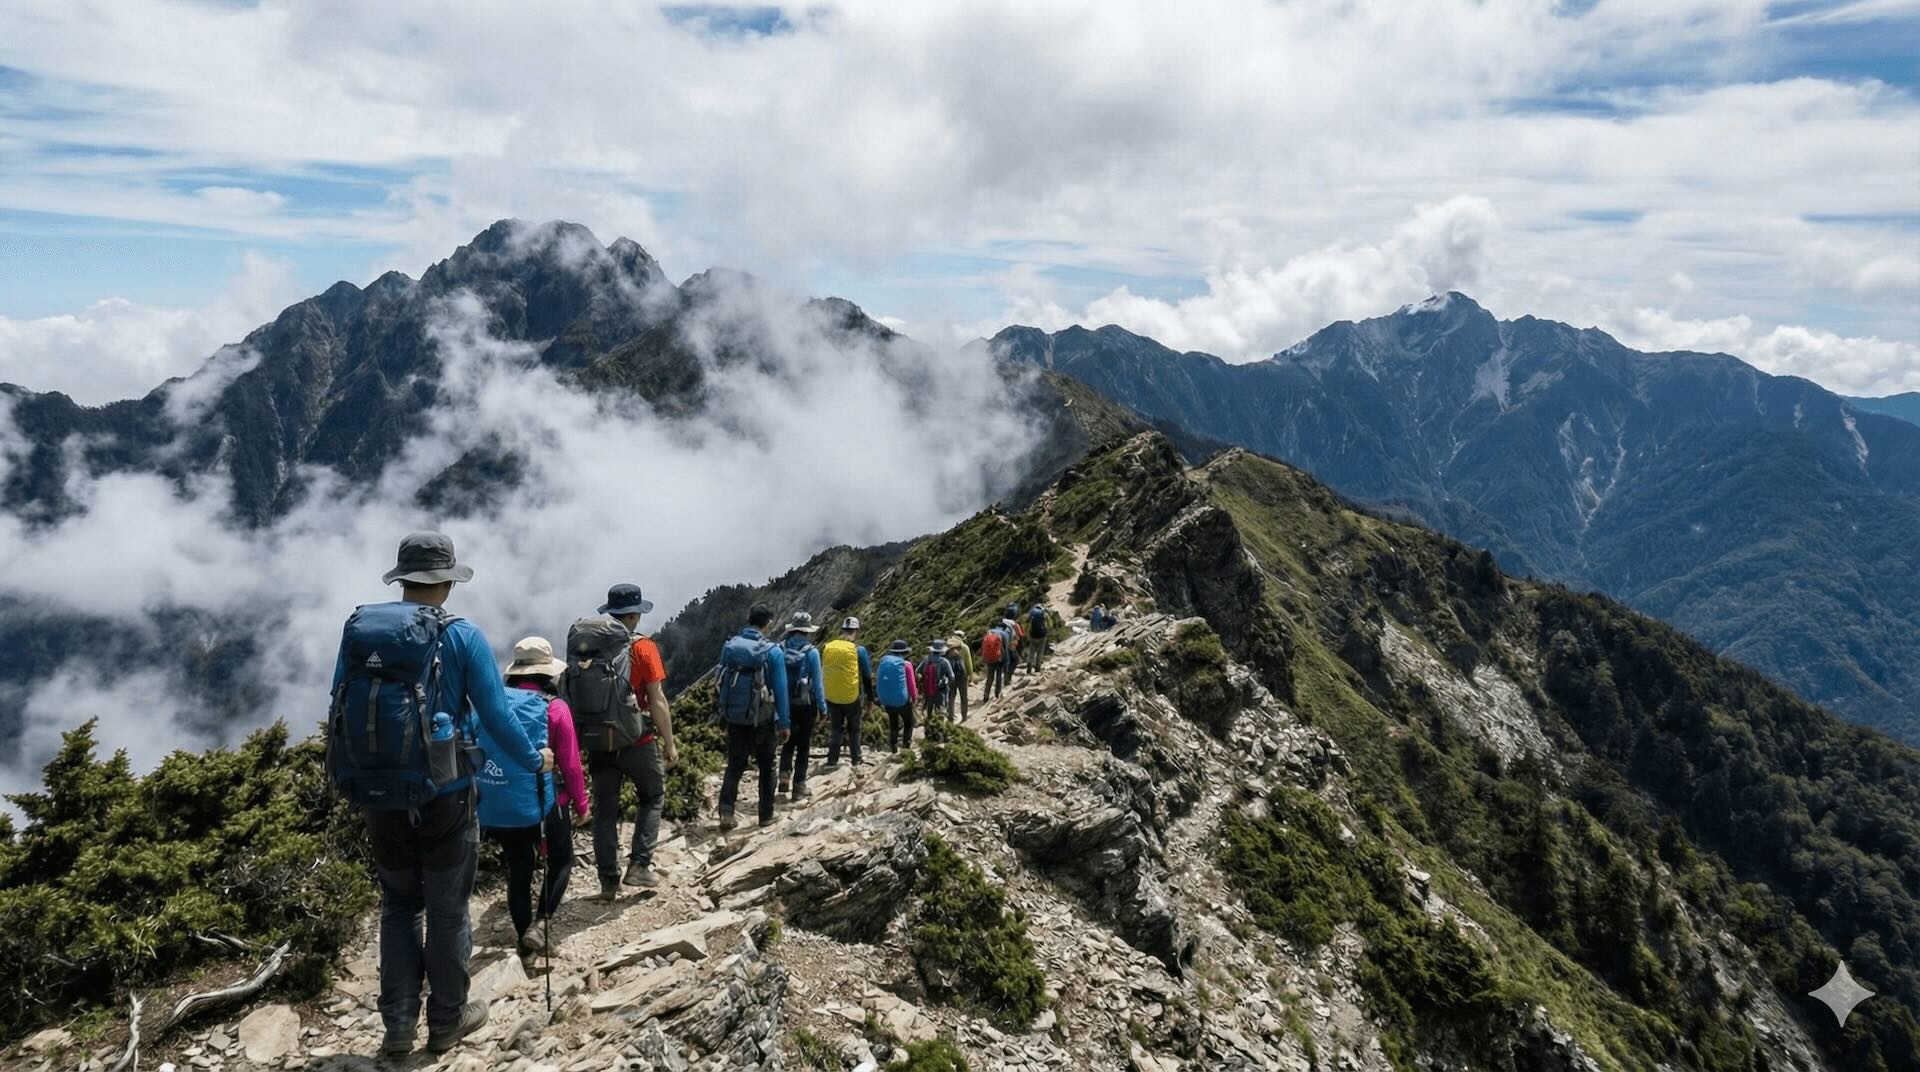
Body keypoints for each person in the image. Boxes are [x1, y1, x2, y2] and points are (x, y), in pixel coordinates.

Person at [327, 532, 556, 1057]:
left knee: (399, 905)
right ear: (448, 581)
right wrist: (534, 761)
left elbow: (339, 696)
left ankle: (398, 1025)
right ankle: (448, 1019)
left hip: (381, 791)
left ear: (403, 580)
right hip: (446, 793)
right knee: (448, 909)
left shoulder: (359, 631)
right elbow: (496, 714)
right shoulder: (463, 635)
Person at [482, 637, 587, 972]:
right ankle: (541, 924)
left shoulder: (493, 703)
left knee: (519, 869)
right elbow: (571, 765)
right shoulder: (555, 708)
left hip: (500, 800)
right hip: (544, 800)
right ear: (548, 673)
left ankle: (524, 946)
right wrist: (582, 804)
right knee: (561, 860)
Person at [572, 584, 677, 901]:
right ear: (633, 615)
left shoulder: (587, 650)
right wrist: (669, 743)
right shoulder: (644, 648)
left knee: (605, 810)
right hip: (637, 738)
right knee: (652, 795)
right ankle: (639, 866)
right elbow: (657, 700)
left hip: (597, 740)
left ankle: (608, 882)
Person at [714, 604, 792, 829]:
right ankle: (766, 816)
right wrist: (784, 722)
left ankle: (726, 812)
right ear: (768, 624)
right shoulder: (773, 652)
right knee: (767, 765)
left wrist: (722, 712)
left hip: (735, 717)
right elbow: (781, 690)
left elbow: (720, 679)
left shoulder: (730, 646)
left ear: (749, 620)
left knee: (735, 765)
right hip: (763, 719)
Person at [777, 612, 826, 800]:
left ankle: (784, 775)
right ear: (807, 631)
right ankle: (799, 787)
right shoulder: (811, 652)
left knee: (787, 740)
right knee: (804, 746)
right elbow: (818, 684)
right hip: (806, 704)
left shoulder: (780, 649)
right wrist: (823, 709)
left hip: (784, 703)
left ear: (792, 630)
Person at [820, 616, 873, 769]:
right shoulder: (858, 650)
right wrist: (870, 699)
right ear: (856, 631)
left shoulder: (828, 647)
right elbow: (867, 676)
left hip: (831, 696)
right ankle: (856, 759)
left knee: (836, 728)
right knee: (854, 729)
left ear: (843, 630)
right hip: (851, 697)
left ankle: (832, 760)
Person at [875, 638, 919, 751]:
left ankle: (893, 747)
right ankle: (906, 746)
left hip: (887, 700)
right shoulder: (906, 665)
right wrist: (914, 698)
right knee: (909, 722)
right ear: (905, 652)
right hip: (902, 701)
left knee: (893, 723)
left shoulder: (884, 662)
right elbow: (911, 684)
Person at [917, 640, 955, 726]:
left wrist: (924, 681)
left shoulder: (926, 659)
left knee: (929, 712)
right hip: (940, 691)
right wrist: (946, 681)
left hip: (928, 690)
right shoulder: (944, 661)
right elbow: (952, 676)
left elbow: (917, 671)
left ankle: (928, 729)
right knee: (941, 712)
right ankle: (940, 728)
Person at [978, 620, 1011, 704]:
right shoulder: (1003, 634)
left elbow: (983, 649)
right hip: (998, 659)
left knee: (990, 677)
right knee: (998, 677)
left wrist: (984, 658)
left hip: (989, 660)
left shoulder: (988, 635)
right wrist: (1006, 662)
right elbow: (1004, 650)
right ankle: (997, 694)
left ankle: (986, 696)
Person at [944, 631, 972, 722]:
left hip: (950, 676)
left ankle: (950, 715)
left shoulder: (947, 651)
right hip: (962, 676)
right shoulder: (965, 648)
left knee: (951, 696)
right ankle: (964, 716)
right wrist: (970, 675)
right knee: (964, 696)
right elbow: (968, 663)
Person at [1025, 602, 1051, 673]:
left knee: (1031, 652)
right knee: (1040, 652)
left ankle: (1029, 665)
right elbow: (1049, 623)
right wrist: (1047, 629)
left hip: (1033, 635)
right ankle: (1037, 668)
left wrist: (1028, 632)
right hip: (1042, 636)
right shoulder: (1044, 612)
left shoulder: (1032, 612)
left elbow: (1027, 621)